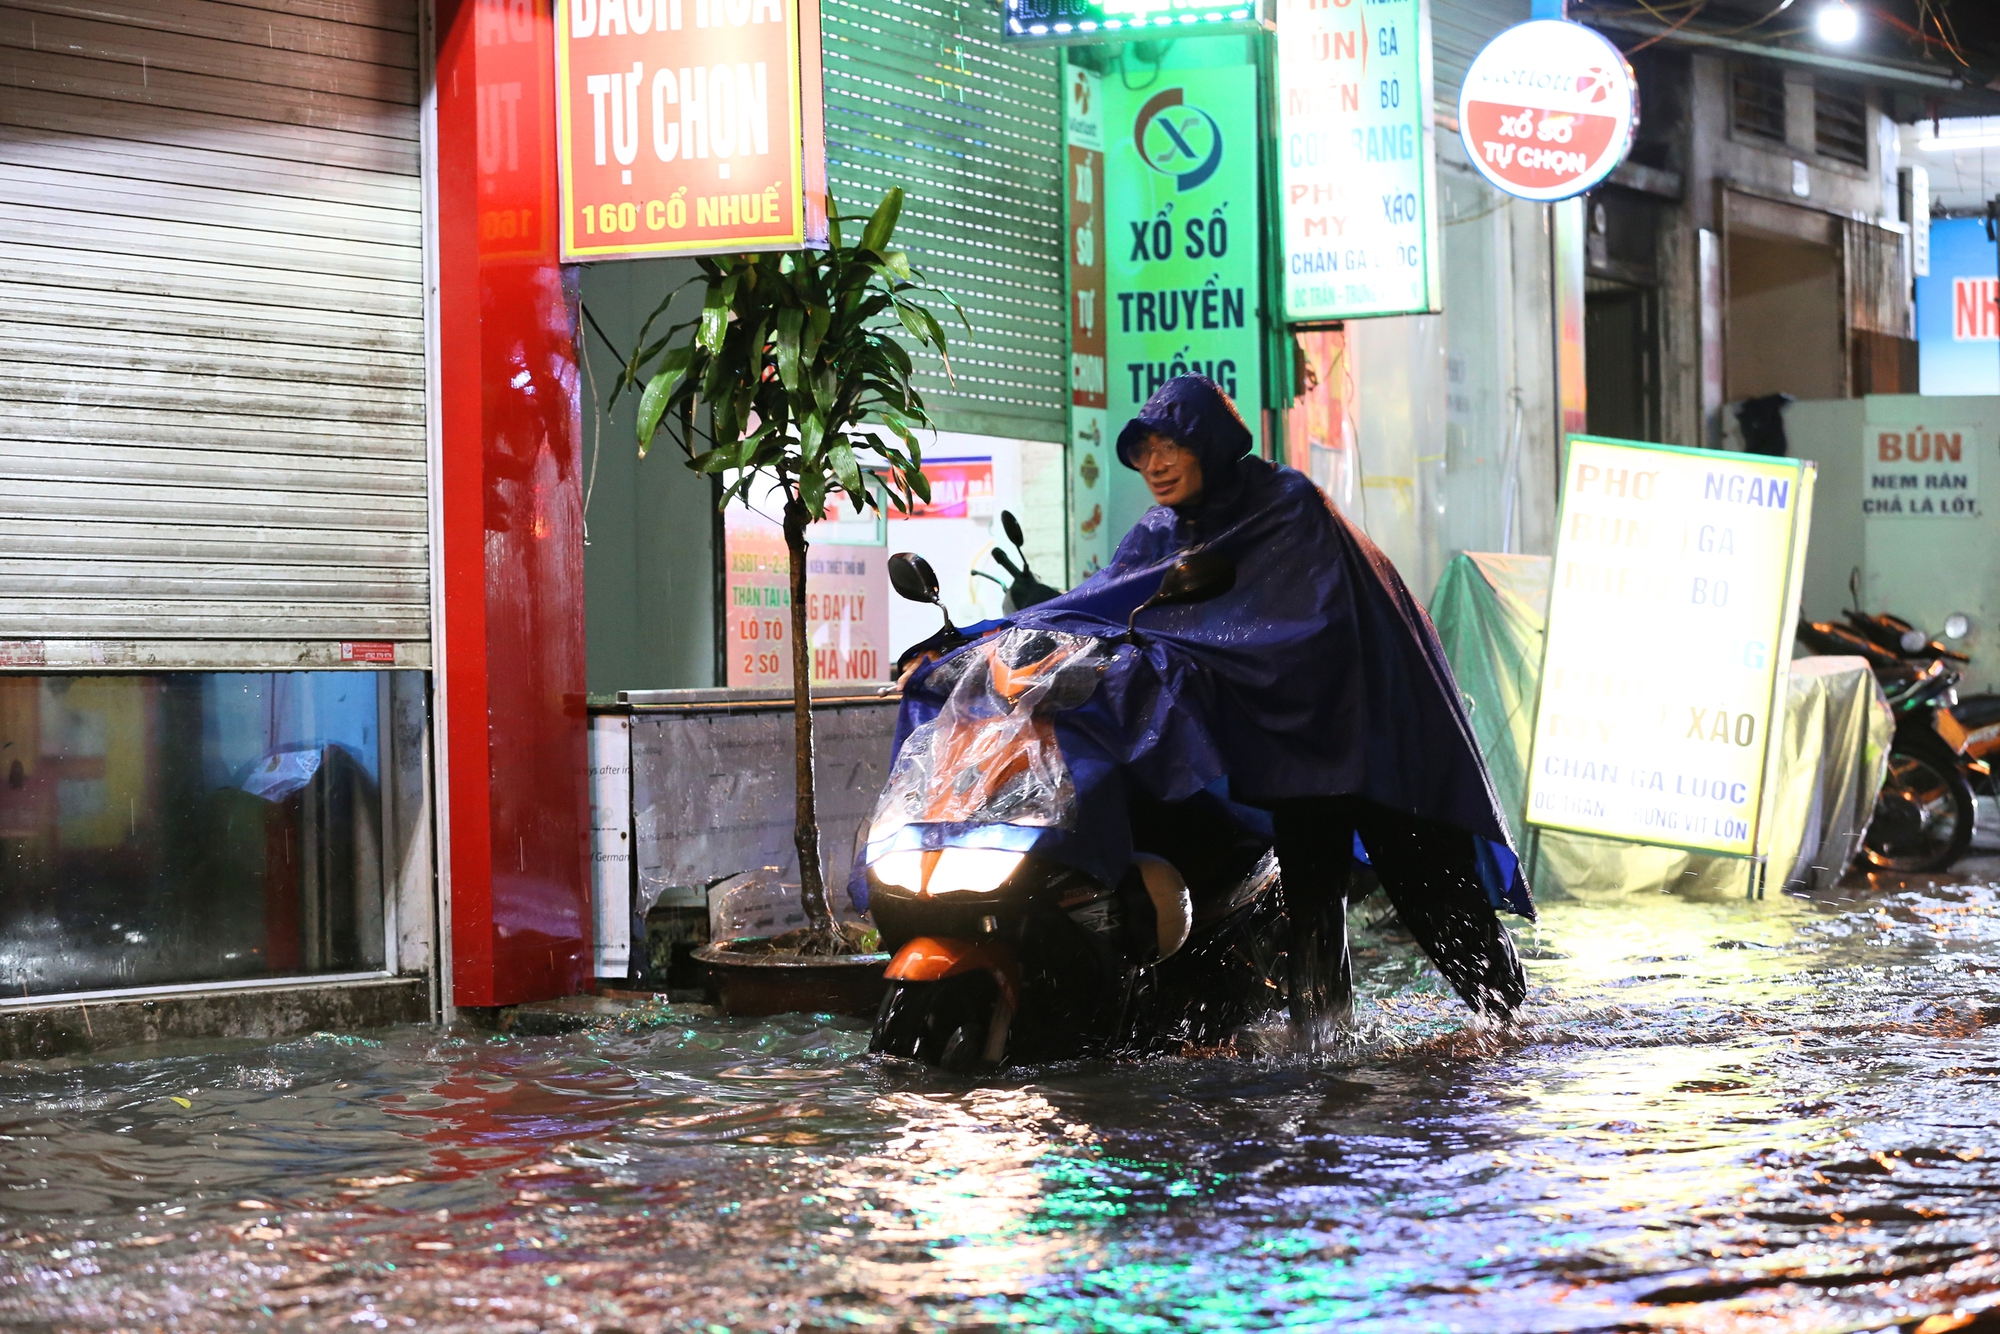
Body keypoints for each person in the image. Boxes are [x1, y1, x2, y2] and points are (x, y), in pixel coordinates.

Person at [1004, 375, 1531, 1039]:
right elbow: (1109, 606)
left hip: (1374, 736)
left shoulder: (1287, 507)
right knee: (1312, 901)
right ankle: (1321, 1050)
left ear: (1212, 445)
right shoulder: (1161, 533)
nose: (1156, 465)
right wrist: (986, 645)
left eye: (1172, 446)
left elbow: (1302, 626)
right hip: (1294, 753)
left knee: (1433, 894)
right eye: (1145, 450)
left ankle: (1514, 1027)